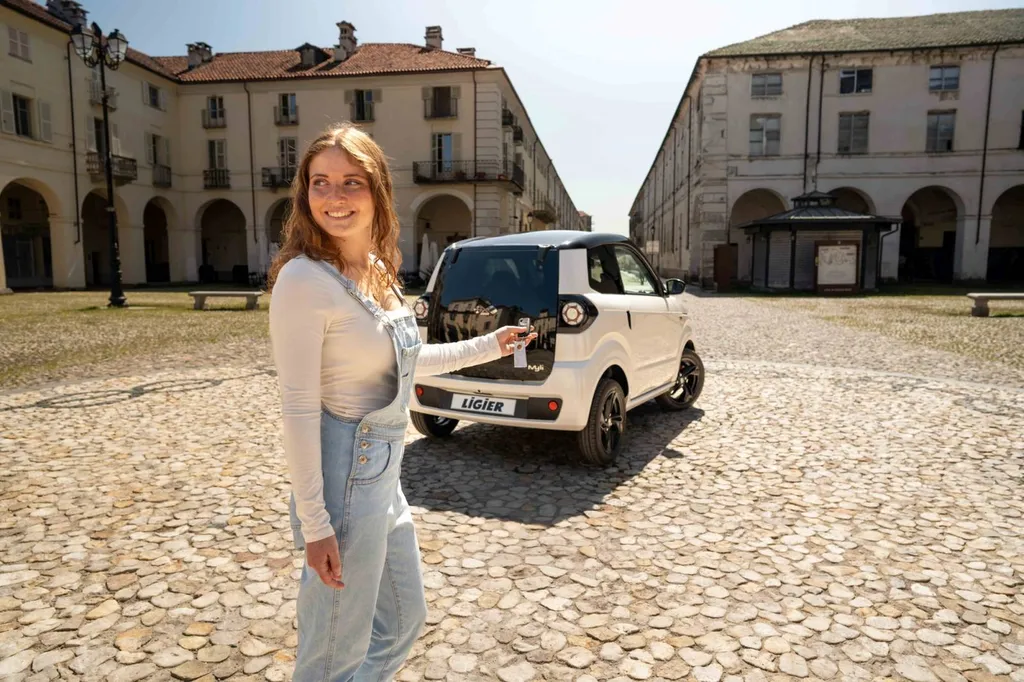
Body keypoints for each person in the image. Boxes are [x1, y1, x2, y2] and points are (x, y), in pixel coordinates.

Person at [267, 123, 535, 682]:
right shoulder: (302, 279)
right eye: (321, 183)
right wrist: (316, 524)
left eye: (351, 183)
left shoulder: (381, 273)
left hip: (384, 478)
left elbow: (406, 364)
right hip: (343, 479)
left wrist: (491, 344)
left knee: (403, 621)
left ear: (377, 191)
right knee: (332, 652)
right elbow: (296, 407)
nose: (334, 198)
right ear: (305, 193)